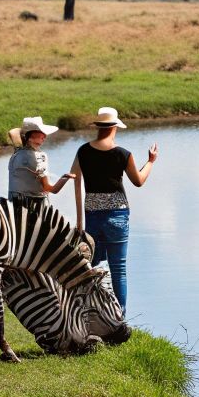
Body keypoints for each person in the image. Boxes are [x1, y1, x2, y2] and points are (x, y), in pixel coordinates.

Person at [67, 107, 157, 312]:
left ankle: (95, 311)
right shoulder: (123, 154)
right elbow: (139, 181)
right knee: (119, 269)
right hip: (118, 214)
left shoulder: (83, 151)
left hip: (92, 215)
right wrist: (151, 162)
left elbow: (75, 178)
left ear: (99, 127)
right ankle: (119, 316)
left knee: (93, 265)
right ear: (115, 127)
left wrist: (80, 220)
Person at [6, 115, 70, 208]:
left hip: (13, 203)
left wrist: (25, 133)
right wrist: (65, 178)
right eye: (41, 134)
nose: (45, 136)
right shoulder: (40, 157)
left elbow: (13, 132)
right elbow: (50, 189)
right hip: (33, 206)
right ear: (30, 137)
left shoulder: (16, 153)